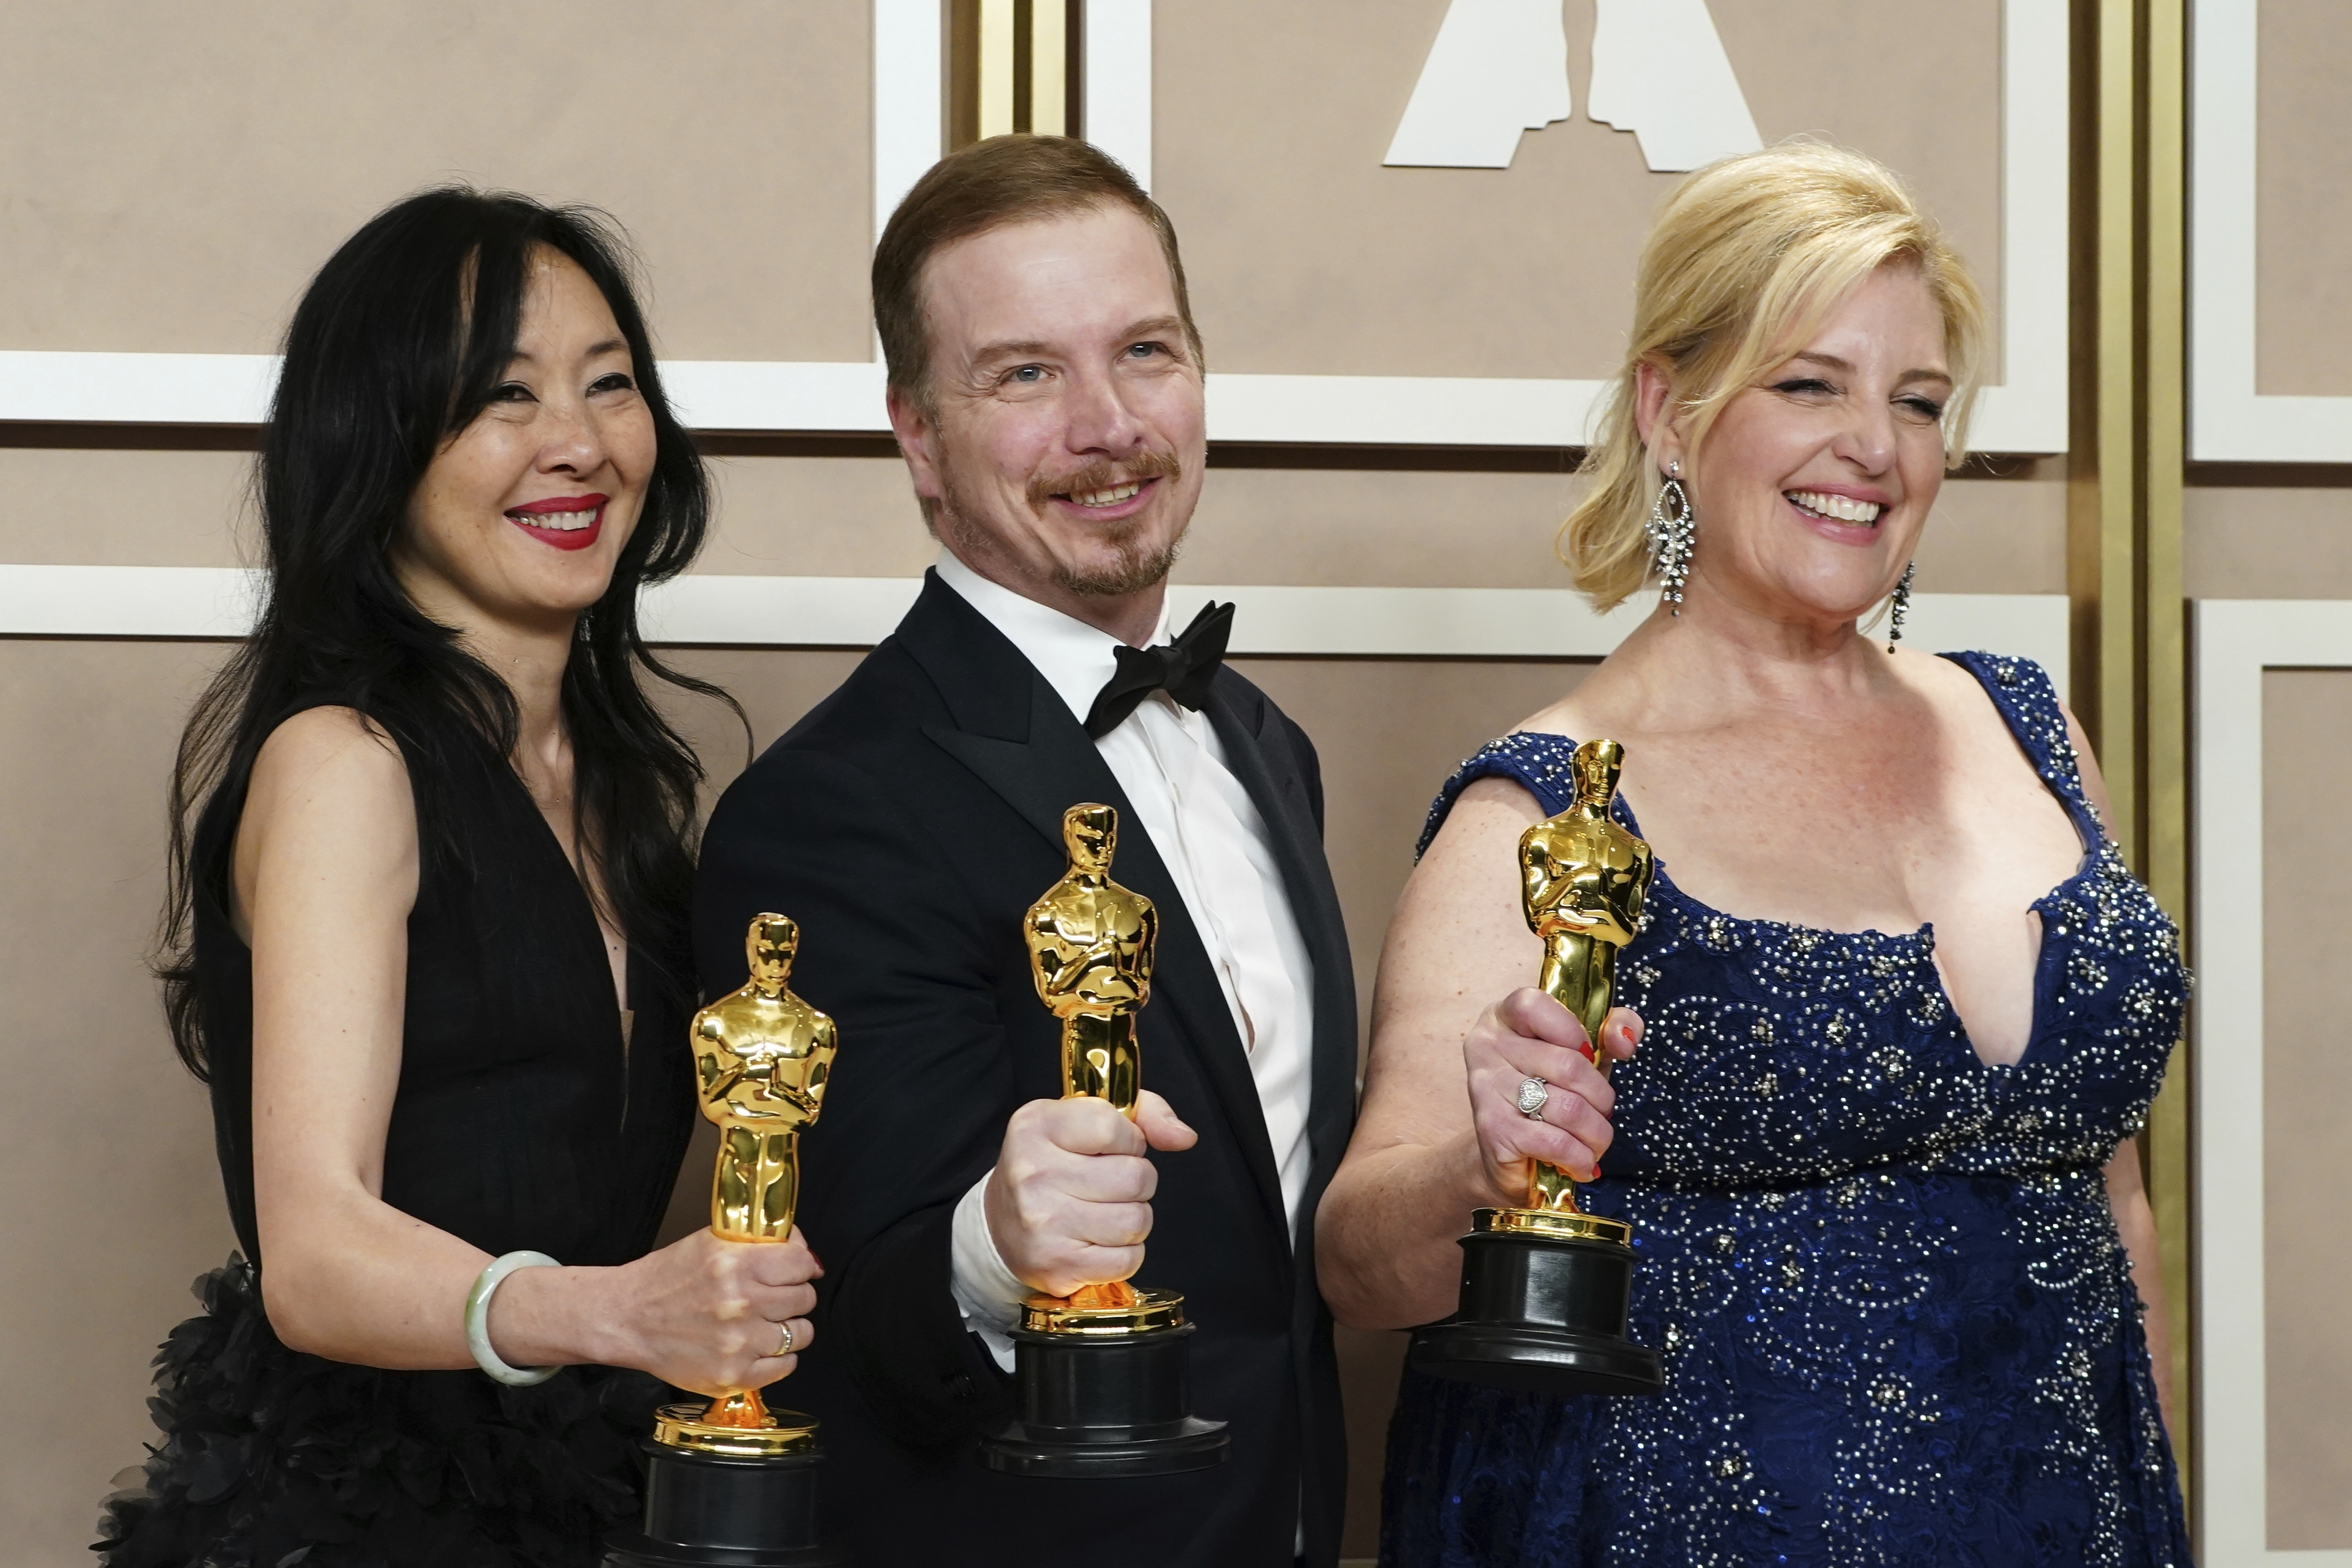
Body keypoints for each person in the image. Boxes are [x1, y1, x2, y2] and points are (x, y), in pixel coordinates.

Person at [1316, 142, 2194, 1565]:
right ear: (1670, 410)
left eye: (1917, 401)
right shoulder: (1543, 813)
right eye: (1810, 383)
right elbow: (1360, 1263)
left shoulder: (2036, 731)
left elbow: (2119, 1209)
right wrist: (1483, 1162)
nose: (1876, 446)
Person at [99, 190, 821, 1568]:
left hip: (574, 1495)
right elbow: (314, 1256)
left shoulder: (628, 791)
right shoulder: (344, 762)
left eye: (609, 386)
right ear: (380, 448)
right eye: (502, 398)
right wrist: (616, 1315)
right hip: (360, 1514)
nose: (578, 444)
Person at [692, 135, 1357, 1567]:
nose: (1109, 423)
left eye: (1146, 351)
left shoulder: (1266, 747)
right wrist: (993, 1250)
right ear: (916, 431)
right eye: (1025, 374)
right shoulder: (826, 811)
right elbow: (861, 1323)